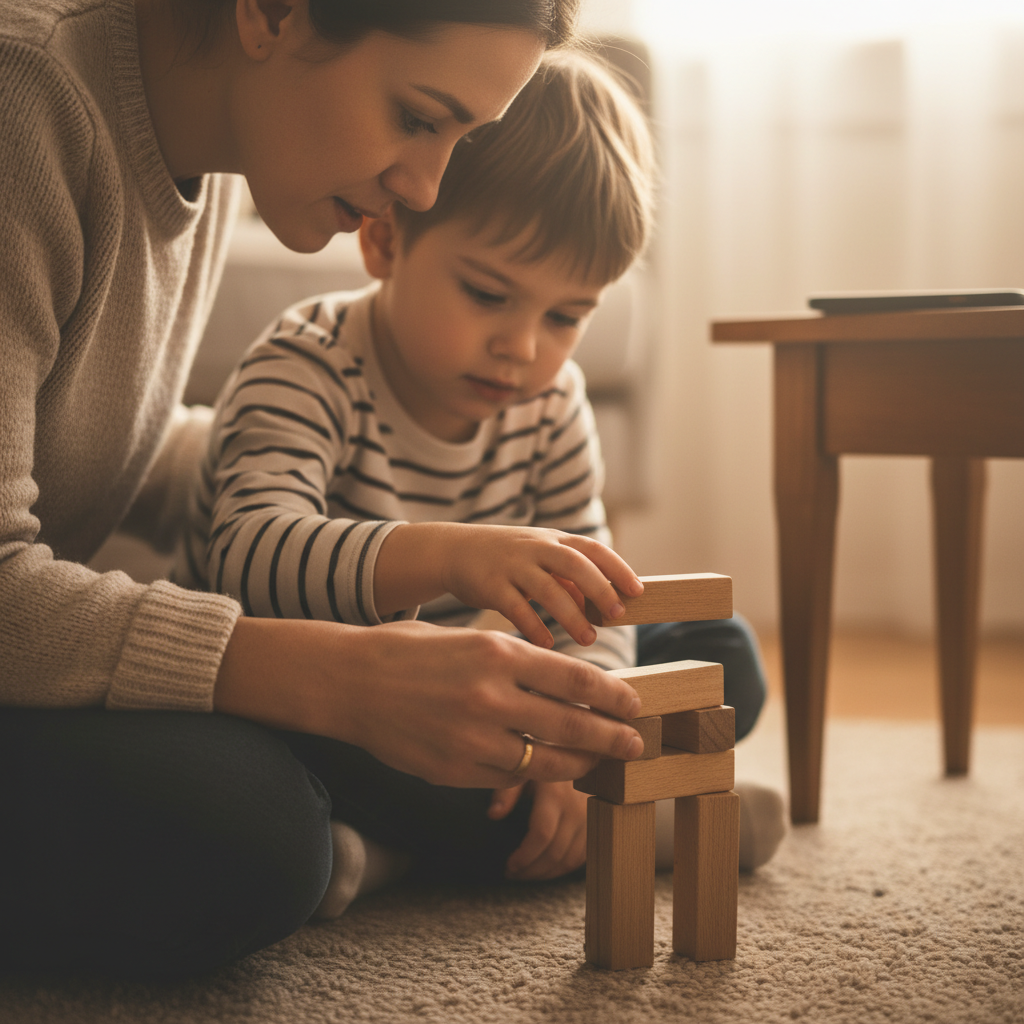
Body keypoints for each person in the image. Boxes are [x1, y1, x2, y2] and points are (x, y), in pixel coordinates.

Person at [0, 0, 665, 982]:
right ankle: (613, 821)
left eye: (460, 139)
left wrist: (551, 690)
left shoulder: (221, 145)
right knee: (252, 833)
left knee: (702, 654)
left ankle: (499, 810)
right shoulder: (25, 103)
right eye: (417, 116)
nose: (424, 188)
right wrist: (359, 676)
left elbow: (97, 437)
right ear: (272, 11)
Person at [175, 49, 783, 920]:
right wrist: (452, 557)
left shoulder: (552, 403)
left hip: (492, 694)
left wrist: (577, 743)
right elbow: (248, 556)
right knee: (275, 767)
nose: (523, 348)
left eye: (565, 316)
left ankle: (401, 850)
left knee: (724, 654)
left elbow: (591, 607)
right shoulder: (304, 364)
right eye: (489, 294)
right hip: (342, 700)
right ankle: (640, 829)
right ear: (387, 241)